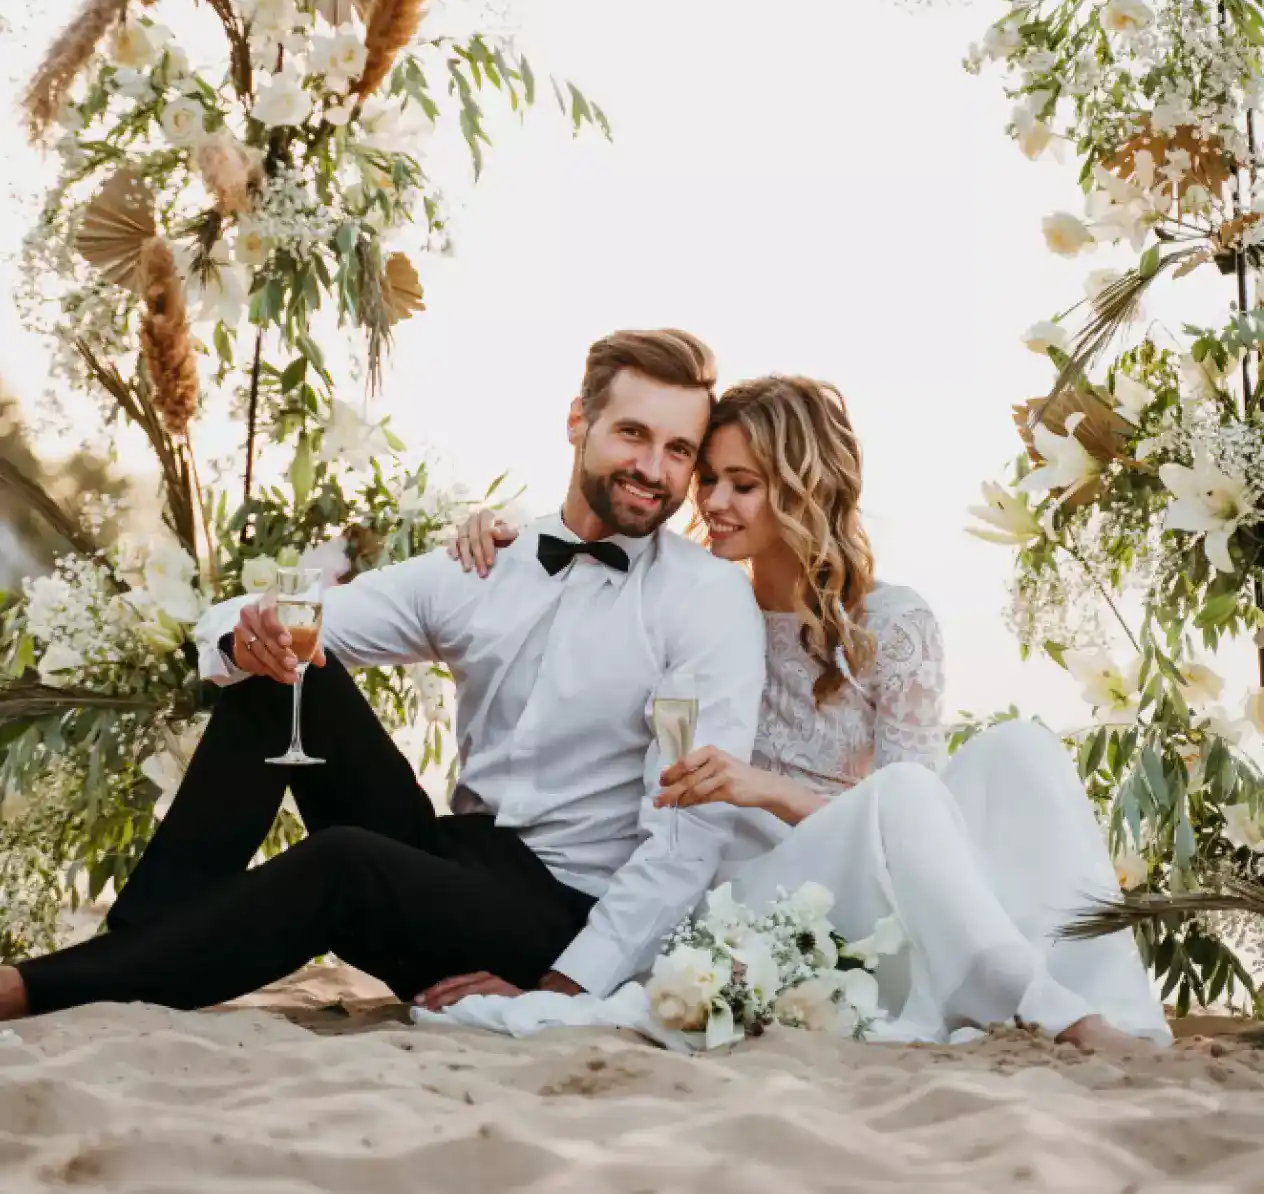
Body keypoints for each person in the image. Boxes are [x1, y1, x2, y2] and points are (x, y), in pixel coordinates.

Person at [0, 329, 767, 1020]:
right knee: (289, 665)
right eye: (633, 434)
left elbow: (682, 831)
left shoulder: (703, 603)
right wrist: (249, 639)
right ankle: (130, 950)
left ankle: (39, 988)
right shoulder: (485, 564)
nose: (652, 469)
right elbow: (263, 618)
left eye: (678, 450)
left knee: (344, 863)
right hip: (451, 863)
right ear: (578, 422)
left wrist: (562, 990)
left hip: (562, 916)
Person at [449, 375, 1171, 1049]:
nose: (713, 504)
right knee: (909, 794)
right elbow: (664, 776)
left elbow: (913, 818)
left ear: (804, 489)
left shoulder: (894, 622)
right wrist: (500, 535)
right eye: (708, 481)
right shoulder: (692, 608)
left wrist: (766, 788)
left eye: (744, 485)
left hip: (871, 872)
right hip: (746, 885)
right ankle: (1046, 1007)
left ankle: (1106, 1000)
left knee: (1021, 748)